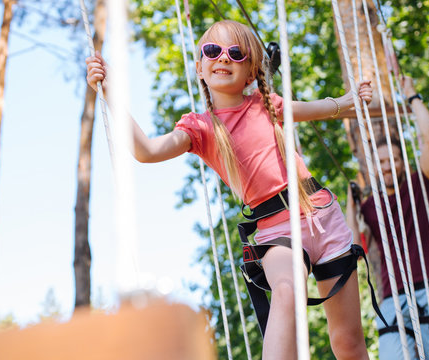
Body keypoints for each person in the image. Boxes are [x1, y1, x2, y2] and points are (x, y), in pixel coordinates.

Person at [87, 20, 374, 360]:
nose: (223, 58)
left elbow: (326, 108)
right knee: (285, 292)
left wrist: (352, 98)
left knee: (348, 344)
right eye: (213, 51)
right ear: (200, 67)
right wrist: (110, 93)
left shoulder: (267, 104)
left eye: (236, 54)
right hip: (277, 231)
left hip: (322, 213)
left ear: (251, 72)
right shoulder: (200, 128)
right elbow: (147, 151)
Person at [347, 76, 429, 360]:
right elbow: (351, 247)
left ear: (403, 162)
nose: (387, 166)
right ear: (372, 168)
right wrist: (351, 200)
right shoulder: (370, 207)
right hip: (393, 296)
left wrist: (412, 95)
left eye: (393, 159)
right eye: (381, 162)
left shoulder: (421, 184)